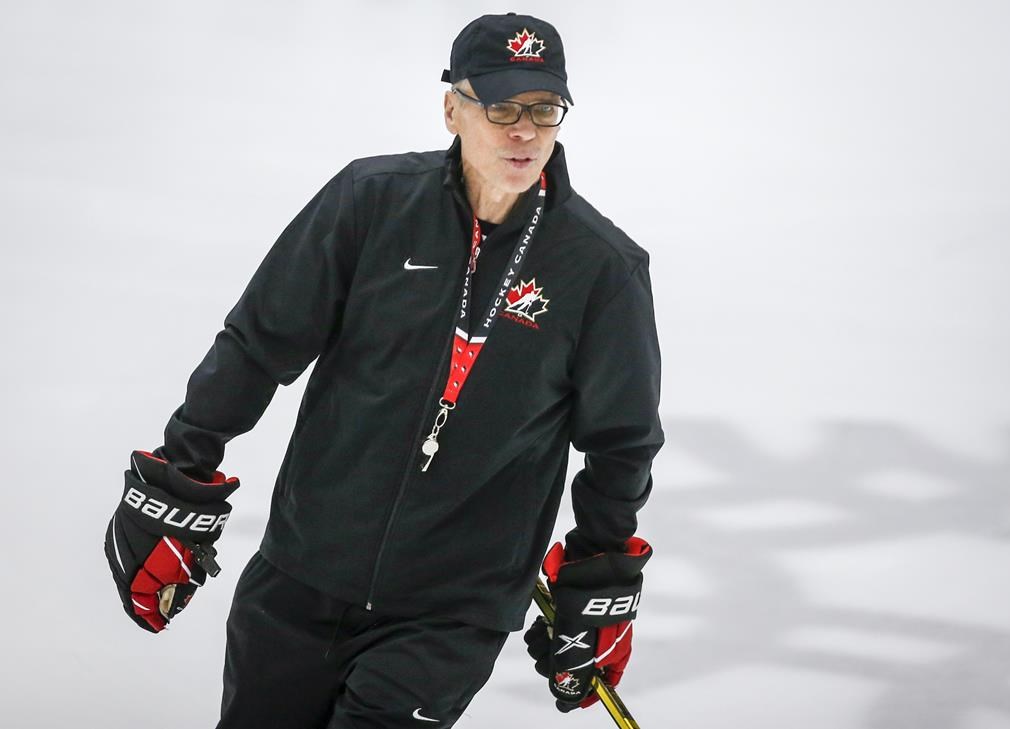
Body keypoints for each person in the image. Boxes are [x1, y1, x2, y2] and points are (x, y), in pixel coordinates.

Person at [104, 12, 663, 728]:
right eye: (501, 107)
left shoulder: (602, 268)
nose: (523, 130)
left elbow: (622, 442)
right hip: (297, 578)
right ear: (452, 107)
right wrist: (185, 463)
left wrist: (602, 570)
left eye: (544, 109)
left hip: (449, 614)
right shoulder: (370, 202)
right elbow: (258, 343)